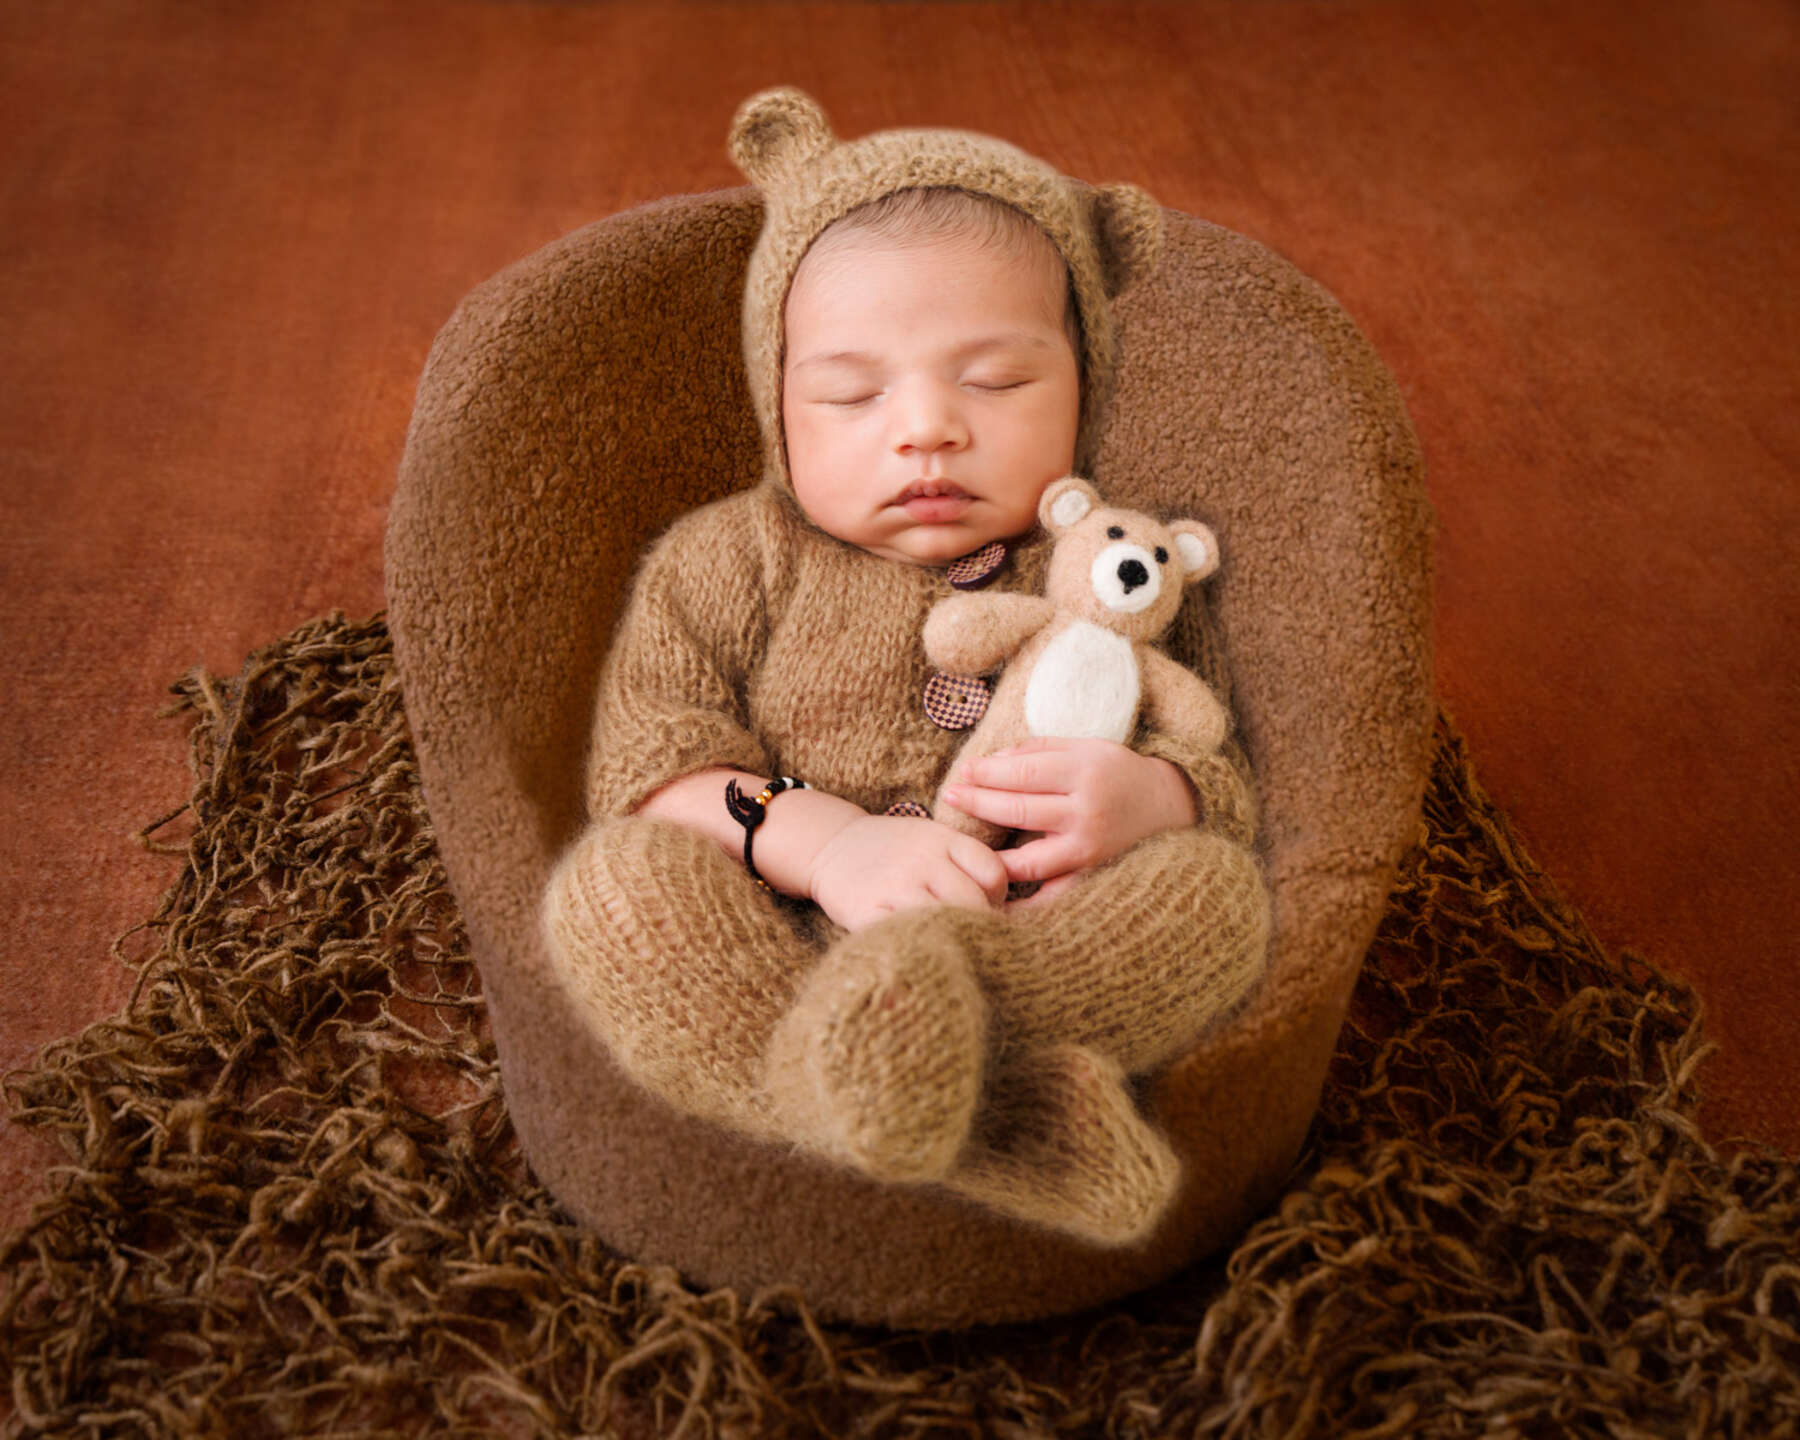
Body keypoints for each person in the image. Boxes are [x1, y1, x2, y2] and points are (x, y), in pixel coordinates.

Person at [540, 87, 1271, 1246]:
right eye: (852, 392)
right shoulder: (725, 559)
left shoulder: (1108, 563)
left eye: (995, 381)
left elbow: (1213, 761)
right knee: (612, 889)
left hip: (1030, 941)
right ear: (779, 404)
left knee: (1218, 898)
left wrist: (1157, 800)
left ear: (1087, 389)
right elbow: (656, 766)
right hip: (773, 936)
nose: (926, 427)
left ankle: (902, 1066)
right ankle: (992, 1114)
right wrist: (828, 842)